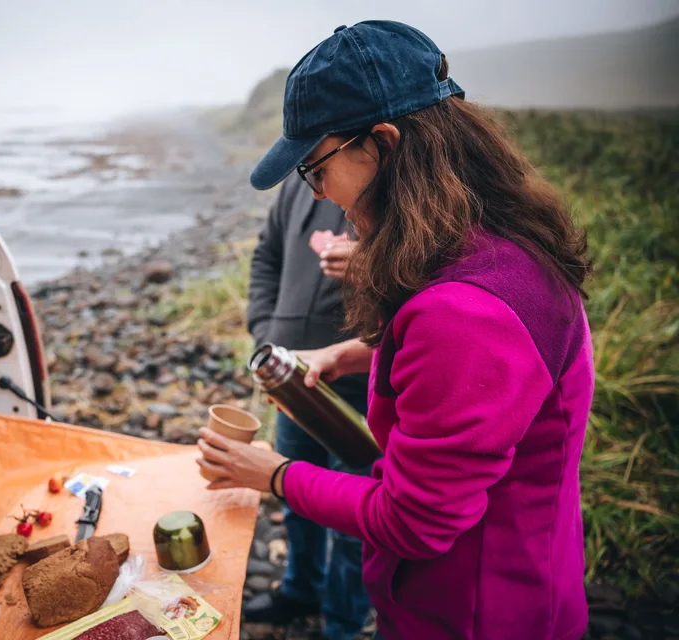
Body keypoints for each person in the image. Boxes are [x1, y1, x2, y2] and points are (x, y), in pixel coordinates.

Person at [197, 20, 593, 640]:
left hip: (474, 616)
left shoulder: (465, 316)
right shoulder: (497, 244)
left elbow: (413, 521)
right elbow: (483, 374)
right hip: (516, 583)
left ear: (381, 143)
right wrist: (349, 354)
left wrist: (270, 472)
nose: (321, 195)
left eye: (316, 168)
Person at [244, 173, 373, 639]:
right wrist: (266, 333)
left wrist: (373, 262)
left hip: (362, 380)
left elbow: (434, 274)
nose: (316, 180)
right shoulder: (302, 182)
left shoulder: (396, 181)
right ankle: (300, 589)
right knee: (295, 496)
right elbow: (266, 258)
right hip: (292, 378)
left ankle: (341, 625)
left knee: (357, 520)